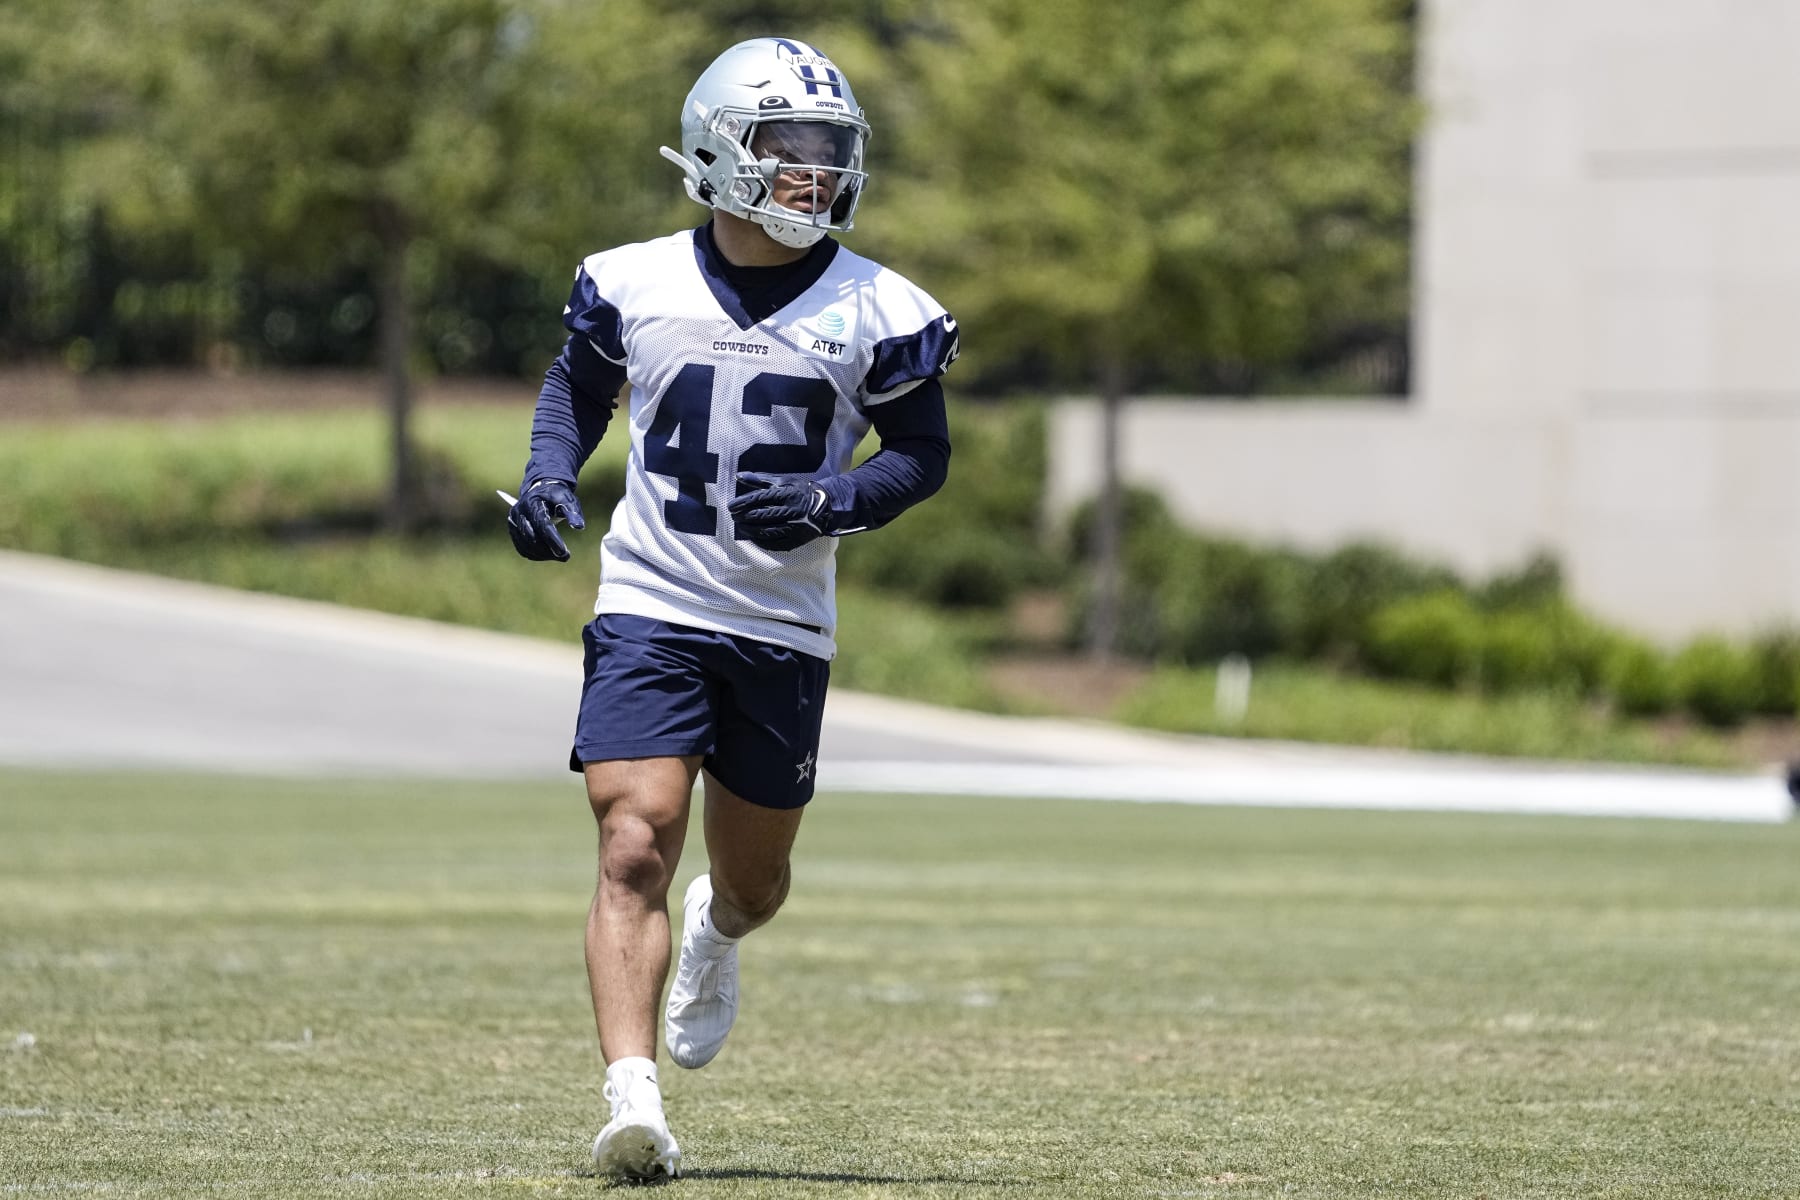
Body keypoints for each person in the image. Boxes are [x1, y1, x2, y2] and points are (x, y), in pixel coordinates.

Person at [504, 36, 958, 1182]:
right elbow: (578, 385)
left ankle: (717, 934)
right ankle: (630, 1098)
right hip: (651, 601)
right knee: (631, 839)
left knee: (752, 882)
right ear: (719, 148)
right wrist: (551, 472)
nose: (814, 173)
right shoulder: (635, 277)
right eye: (789, 147)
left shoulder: (880, 306)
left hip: (779, 623)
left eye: (830, 151)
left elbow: (922, 452)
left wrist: (833, 496)